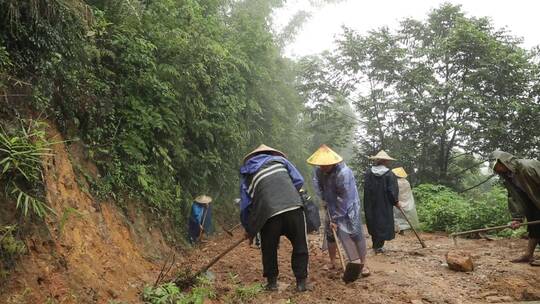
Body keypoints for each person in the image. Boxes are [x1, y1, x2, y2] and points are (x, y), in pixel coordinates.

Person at [239, 144, 309, 291]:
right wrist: (287, 194)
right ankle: (301, 283)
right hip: (293, 207)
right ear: (271, 154)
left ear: (252, 159)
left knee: (269, 248)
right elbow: (298, 180)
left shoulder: (247, 175)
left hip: (268, 213)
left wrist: (249, 229)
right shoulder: (281, 161)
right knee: (300, 245)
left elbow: (246, 206)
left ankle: (272, 284)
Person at [308, 144, 369, 282]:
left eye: (326, 165)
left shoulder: (344, 173)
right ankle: (333, 263)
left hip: (348, 205)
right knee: (330, 234)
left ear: (333, 163)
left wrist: (336, 219)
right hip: (330, 203)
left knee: (355, 233)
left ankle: (362, 265)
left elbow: (344, 198)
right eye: (320, 165)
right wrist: (323, 198)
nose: (322, 168)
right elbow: (317, 183)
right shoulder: (319, 170)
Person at [492, 151, 540, 266]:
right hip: (532, 201)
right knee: (534, 226)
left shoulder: (527, 167)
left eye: (496, 165)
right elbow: (514, 197)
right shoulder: (508, 176)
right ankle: (528, 254)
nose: (496, 169)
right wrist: (517, 218)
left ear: (503, 161)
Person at [363, 150, 400, 253]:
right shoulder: (389, 174)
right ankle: (378, 246)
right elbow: (392, 190)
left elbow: (366, 188)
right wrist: (395, 201)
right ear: (385, 161)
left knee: (373, 222)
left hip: (371, 203)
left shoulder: (369, 173)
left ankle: (376, 245)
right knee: (383, 223)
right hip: (384, 204)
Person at [392, 167, 420, 234]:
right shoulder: (406, 182)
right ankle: (403, 229)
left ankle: (397, 229)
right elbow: (407, 193)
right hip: (407, 201)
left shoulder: (396, 182)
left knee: (397, 216)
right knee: (404, 217)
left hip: (398, 201)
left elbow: (395, 192)